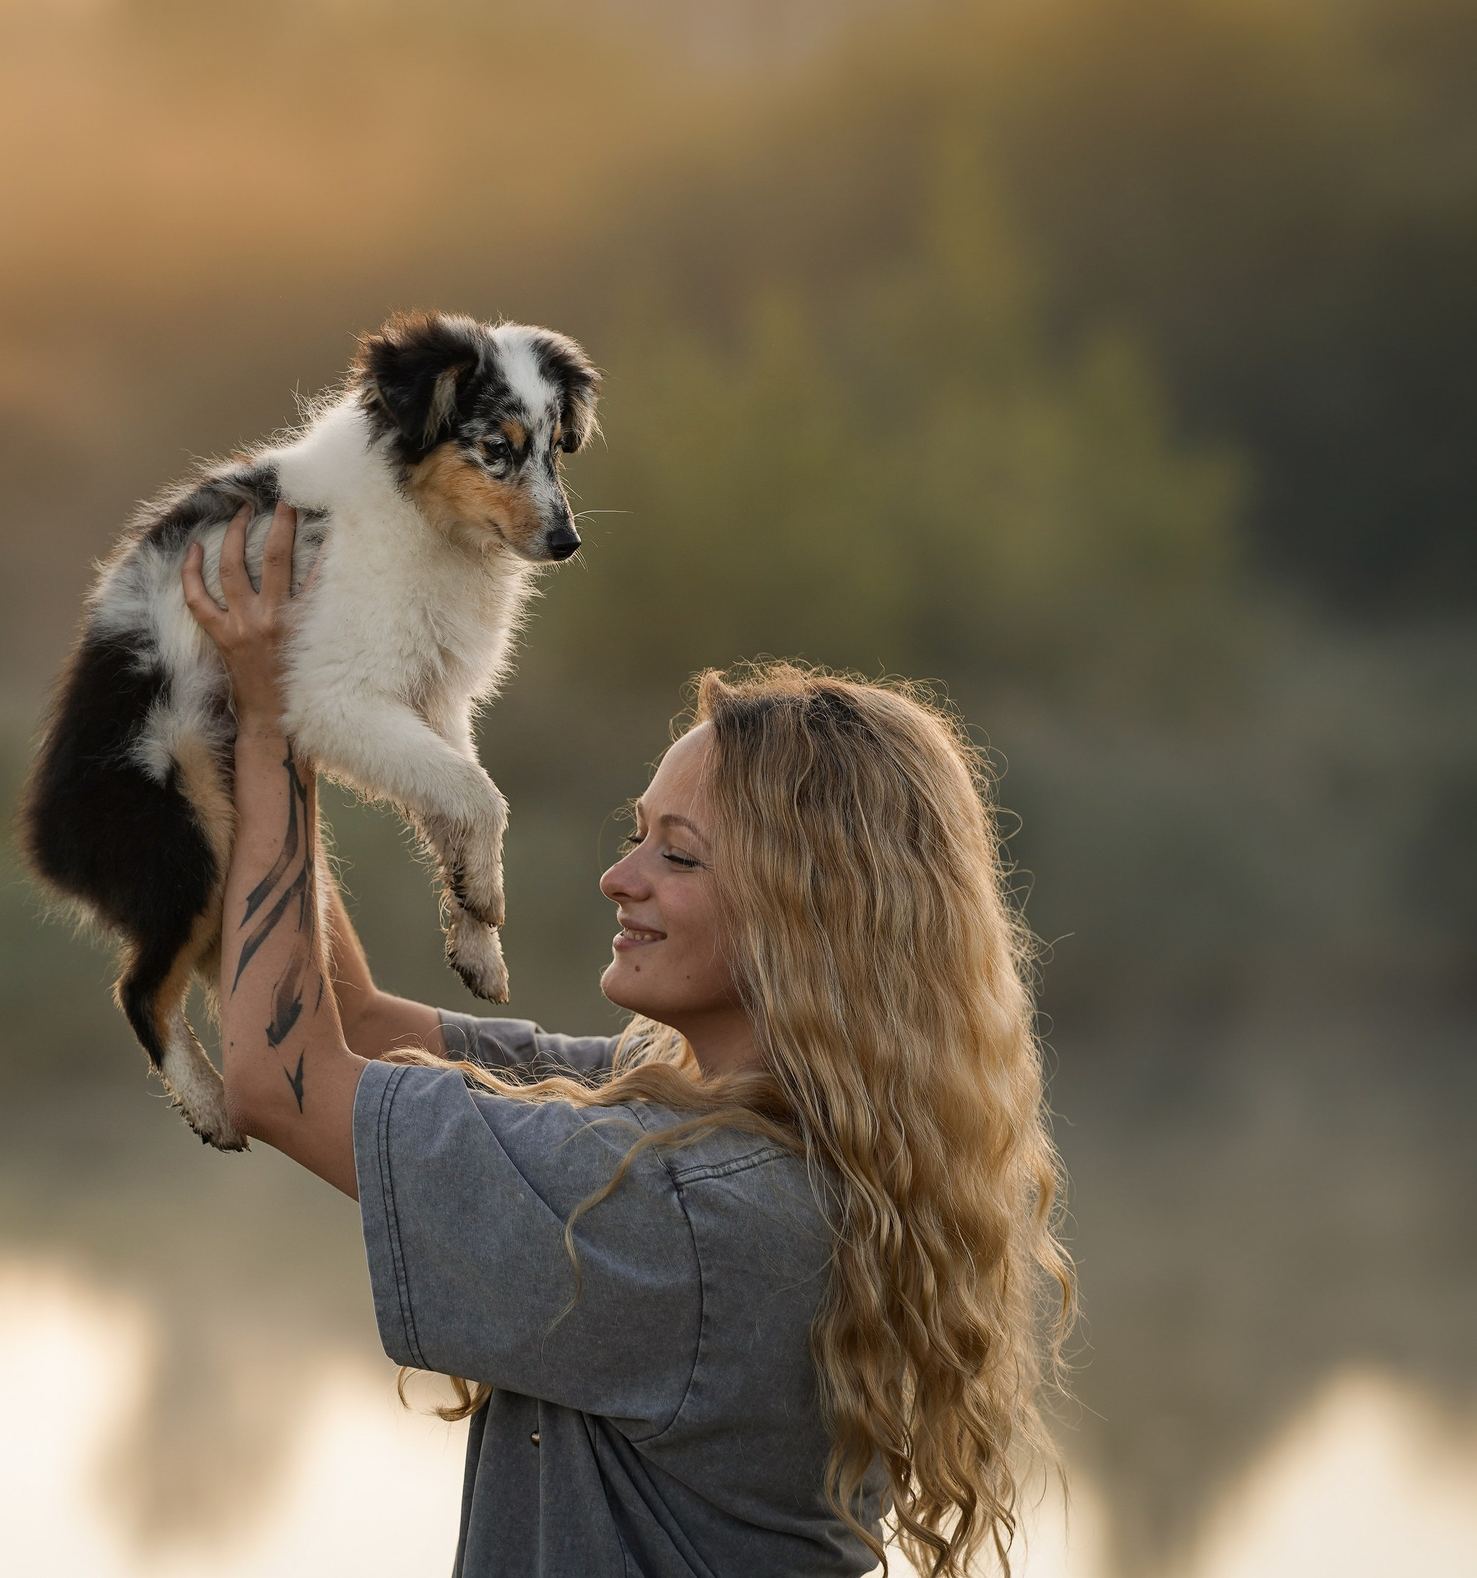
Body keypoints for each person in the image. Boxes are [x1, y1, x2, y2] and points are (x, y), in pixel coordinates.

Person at [180, 503, 1074, 1578]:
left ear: (812, 914)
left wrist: (274, 725)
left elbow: (278, 1081)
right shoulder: (697, 1110)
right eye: (634, 835)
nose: (620, 877)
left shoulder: (690, 1210)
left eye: (680, 857)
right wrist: (256, 725)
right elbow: (352, 1024)